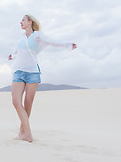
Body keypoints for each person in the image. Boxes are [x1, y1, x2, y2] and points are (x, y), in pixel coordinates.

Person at [8, 14, 77, 143]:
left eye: (23, 20)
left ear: (30, 22)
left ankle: (23, 133)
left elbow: (52, 41)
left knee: (28, 105)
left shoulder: (37, 35)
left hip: (33, 73)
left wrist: (67, 44)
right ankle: (27, 134)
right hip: (18, 72)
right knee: (16, 102)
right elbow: (18, 50)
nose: (20, 22)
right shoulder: (22, 38)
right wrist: (12, 55)